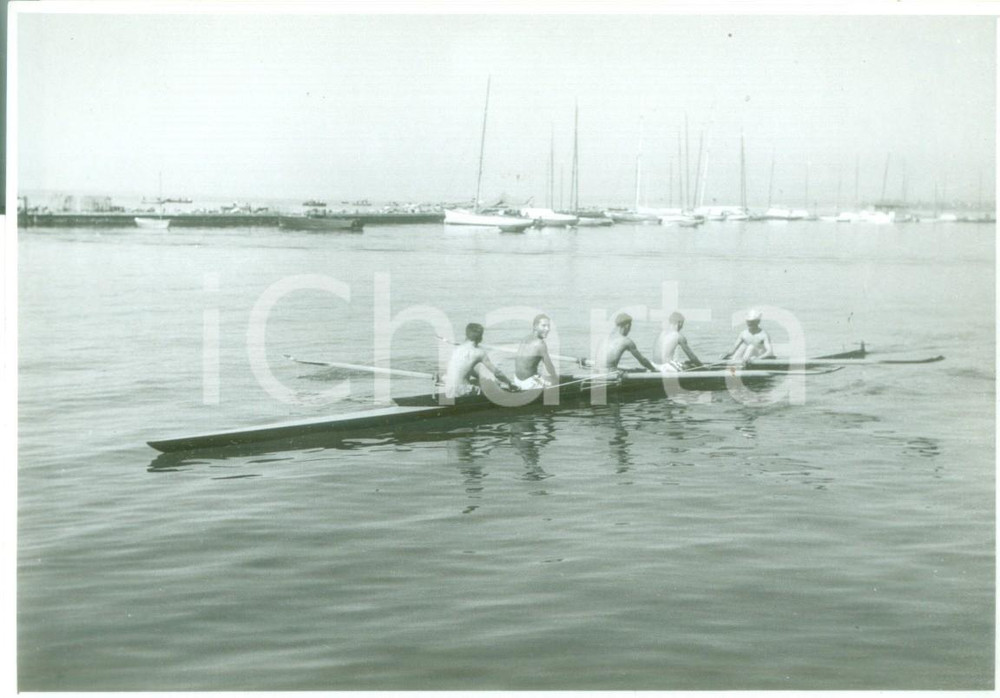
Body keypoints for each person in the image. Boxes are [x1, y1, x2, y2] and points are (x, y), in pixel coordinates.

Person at [443, 323, 515, 398]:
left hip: (448, 390)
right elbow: (497, 373)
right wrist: (509, 383)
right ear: (481, 338)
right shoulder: (479, 353)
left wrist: (481, 377)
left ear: (466, 335)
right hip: (461, 391)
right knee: (493, 384)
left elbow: (463, 369)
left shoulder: (456, 349)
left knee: (480, 380)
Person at [514, 314, 559, 390]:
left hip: (517, 380)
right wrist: (556, 380)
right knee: (556, 381)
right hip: (528, 383)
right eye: (543, 326)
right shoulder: (540, 344)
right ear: (535, 326)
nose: (547, 329)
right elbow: (549, 367)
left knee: (542, 376)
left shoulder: (525, 338)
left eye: (548, 326)